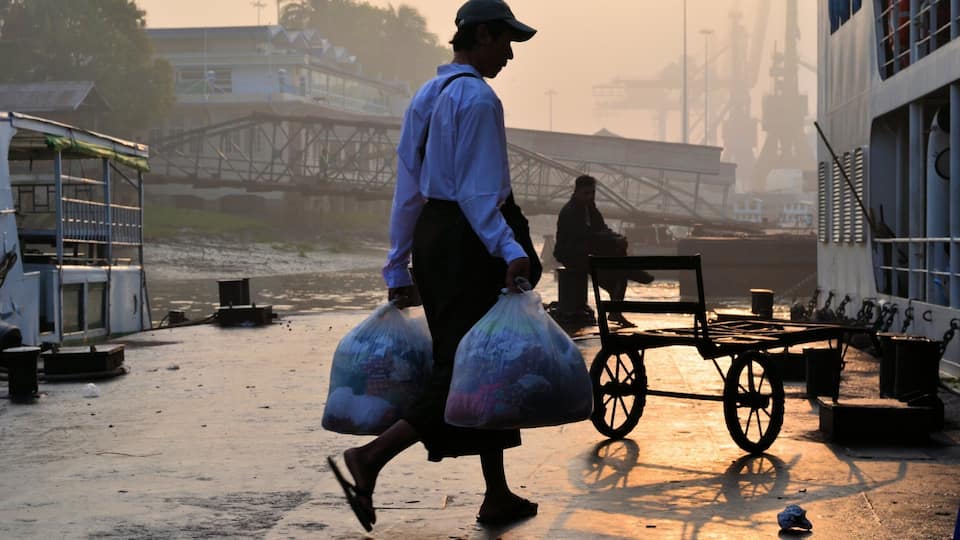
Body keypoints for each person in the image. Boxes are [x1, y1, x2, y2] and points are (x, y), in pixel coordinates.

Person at [327, 0, 541, 532]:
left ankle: (497, 494)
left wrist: (398, 263)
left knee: (481, 362)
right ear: (484, 36)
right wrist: (508, 248)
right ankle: (370, 458)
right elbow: (478, 192)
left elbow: (407, 190)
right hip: (471, 241)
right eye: (506, 41)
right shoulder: (480, 100)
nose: (511, 55)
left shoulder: (426, 95)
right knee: (469, 369)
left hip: (435, 237)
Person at [553, 175, 654, 327]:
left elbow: (601, 228)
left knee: (618, 277)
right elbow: (583, 235)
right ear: (577, 192)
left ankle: (616, 310)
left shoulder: (589, 207)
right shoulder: (571, 211)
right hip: (571, 253)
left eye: (592, 193)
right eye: (586, 193)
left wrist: (616, 237)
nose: (589, 196)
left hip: (586, 251)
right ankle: (631, 272)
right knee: (618, 271)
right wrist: (613, 240)